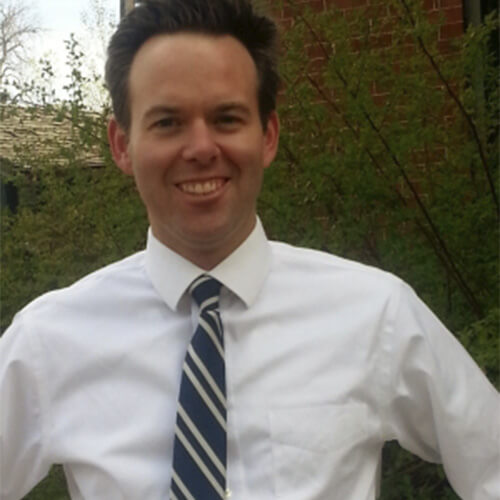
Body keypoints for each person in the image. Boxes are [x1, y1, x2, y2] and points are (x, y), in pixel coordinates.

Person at [0, 0, 498, 498]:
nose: (201, 148)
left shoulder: (377, 315)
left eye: (227, 118)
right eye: (167, 122)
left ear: (268, 136)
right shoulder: (47, 342)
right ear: (121, 144)